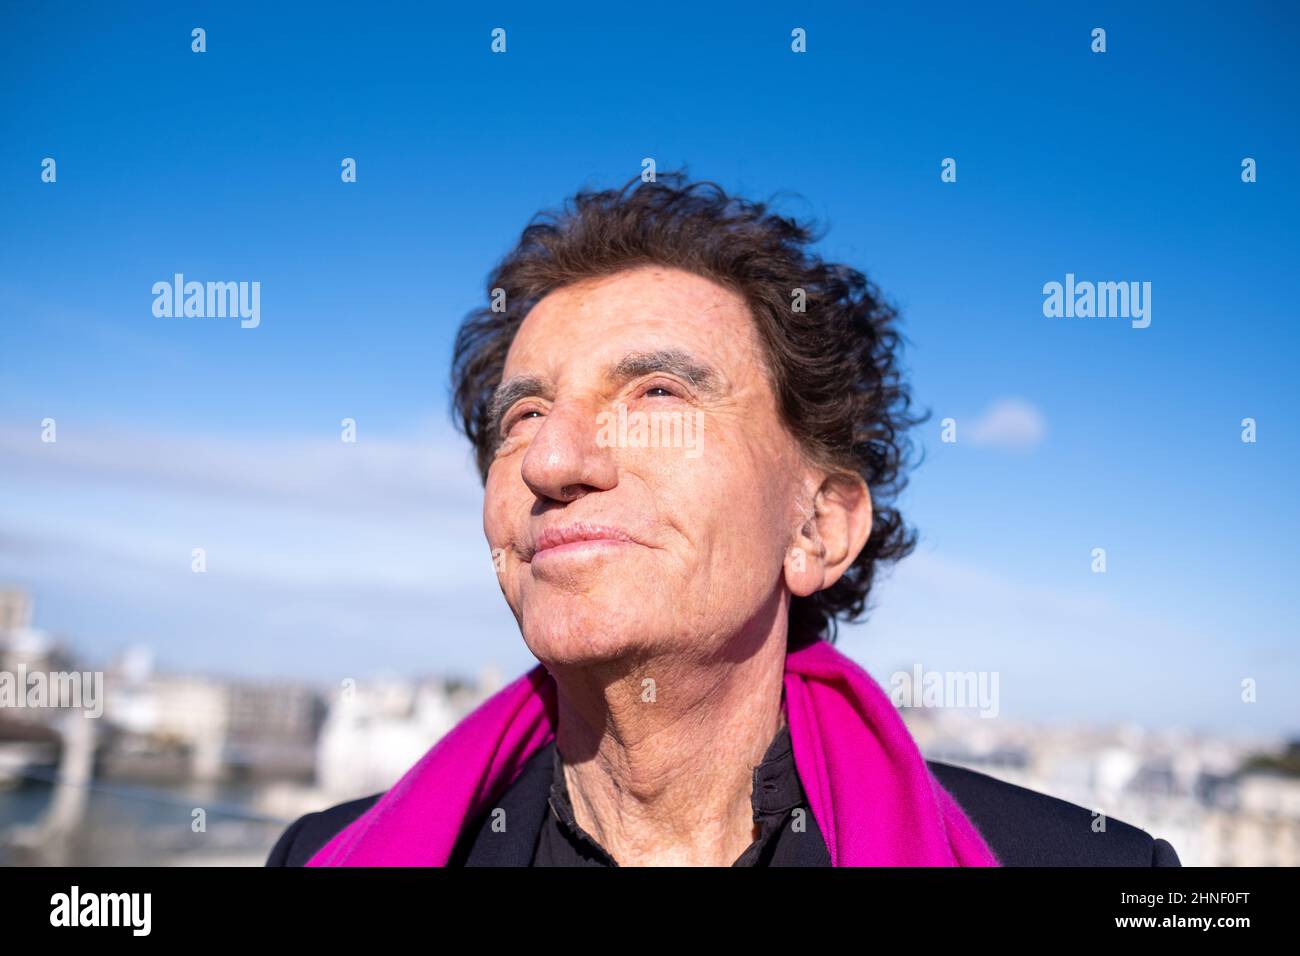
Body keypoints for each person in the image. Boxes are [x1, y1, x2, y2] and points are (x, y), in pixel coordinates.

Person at [267, 171, 1180, 867]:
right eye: (525, 416)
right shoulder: (320, 853)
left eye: (658, 393)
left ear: (818, 527)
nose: (552, 462)